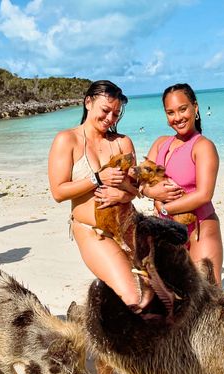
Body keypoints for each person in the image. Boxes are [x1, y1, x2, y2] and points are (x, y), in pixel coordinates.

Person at [48, 80, 152, 311]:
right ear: (88, 102)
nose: (110, 119)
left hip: (129, 227)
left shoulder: (123, 142)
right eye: (105, 111)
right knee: (135, 296)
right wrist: (97, 178)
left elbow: (135, 190)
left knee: (155, 293)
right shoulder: (67, 140)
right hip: (93, 232)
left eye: (115, 114)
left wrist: (123, 196)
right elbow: (58, 191)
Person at [143, 83, 223, 285]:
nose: (177, 117)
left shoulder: (203, 146)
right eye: (170, 112)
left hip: (199, 228)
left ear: (195, 108)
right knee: (174, 300)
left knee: (208, 298)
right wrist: (155, 192)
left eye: (182, 109)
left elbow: (204, 195)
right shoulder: (161, 143)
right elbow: (142, 183)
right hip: (167, 232)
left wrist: (164, 209)